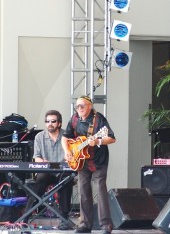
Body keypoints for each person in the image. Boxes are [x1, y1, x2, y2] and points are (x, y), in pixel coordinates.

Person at [61, 96, 116, 234]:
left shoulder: (99, 119)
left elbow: (111, 138)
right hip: (81, 160)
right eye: (77, 106)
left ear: (89, 106)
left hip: (98, 160)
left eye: (82, 106)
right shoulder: (74, 119)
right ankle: (85, 224)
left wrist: (98, 142)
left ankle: (105, 225)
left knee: (100, 190)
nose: (79, 108)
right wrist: (68, 151)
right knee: (83, 190)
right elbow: (65, 137)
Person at [23, 110, 74, 230]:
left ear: (59, 123)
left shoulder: (67, 136)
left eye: (53, 121)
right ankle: (25, 217)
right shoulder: (39, 137)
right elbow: (36, 157)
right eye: (47, 121)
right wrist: (43, 163)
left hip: (63, 170)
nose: (49, 123)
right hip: (46, 171)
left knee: (66, 180)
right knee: (39, 182)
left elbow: (73, 156)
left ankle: (64, 218)